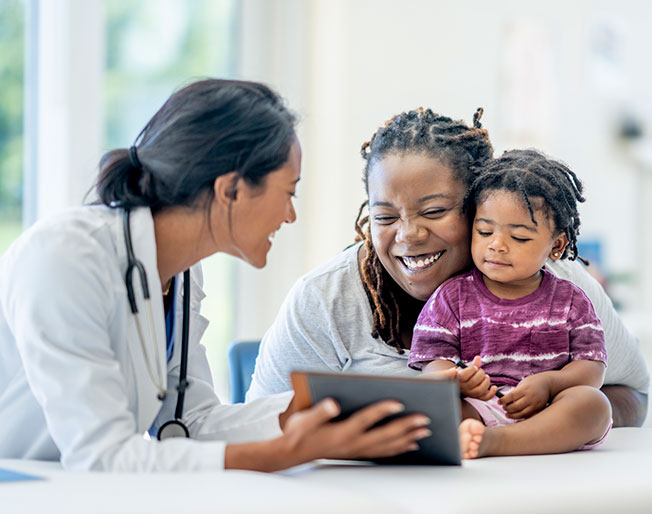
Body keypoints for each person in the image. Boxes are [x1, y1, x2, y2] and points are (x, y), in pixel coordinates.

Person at [0, 79, 433, 472]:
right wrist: (283, 453)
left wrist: (330, 408)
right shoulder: (65, 256)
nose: (290, 215)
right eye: (288, 192)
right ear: (231, 190)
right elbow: (102, 457)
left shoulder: (183, 272)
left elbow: (190, 422)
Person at [247, 107, 650, 427]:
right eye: (385, 217)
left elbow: (633, 396)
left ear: (480, 205)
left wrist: (532, 417)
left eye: (435, 211)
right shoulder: (324, 299)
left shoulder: (556, 283)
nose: (407, 235)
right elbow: (263, 423)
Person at [408, 149, 612, 458]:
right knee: (429, 406)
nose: (496, 245)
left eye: (518, 237)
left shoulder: (571, 301)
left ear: (556, 246)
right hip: (478, 408)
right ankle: (478, 435)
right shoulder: (451, 298)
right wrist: (459, 381)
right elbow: (433, 364)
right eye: (485, 231)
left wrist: (550, 383)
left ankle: (497, 442)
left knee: (594, 405)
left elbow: (592, 368)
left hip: (549, 411)